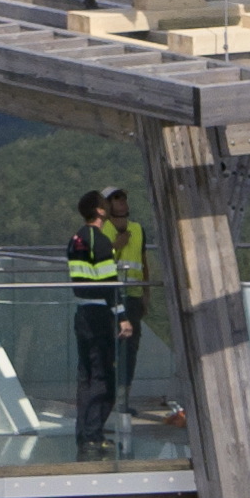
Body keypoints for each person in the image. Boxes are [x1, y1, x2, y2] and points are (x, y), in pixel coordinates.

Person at [67, 189, 132, 458]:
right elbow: (109, 284)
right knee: (104, 375)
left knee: (86, 376)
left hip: (81, 314)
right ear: (101, 211)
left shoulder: (76, 239)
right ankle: (94, 435)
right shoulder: (101, 241)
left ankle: (84, 433)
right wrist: (123, 317)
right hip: (99, 315)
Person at [104, 188, 152, 411]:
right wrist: (116, 246)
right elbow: (96, 260)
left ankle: (123, 400)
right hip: (110, 295)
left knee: (130, 348)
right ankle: (106, 398)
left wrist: (145, 293)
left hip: (132, 295)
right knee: (109, 347)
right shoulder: (102, 229)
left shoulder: (137, 229)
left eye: (123, 198)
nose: (122, 202)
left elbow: (143, 262)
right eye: (116, 199)